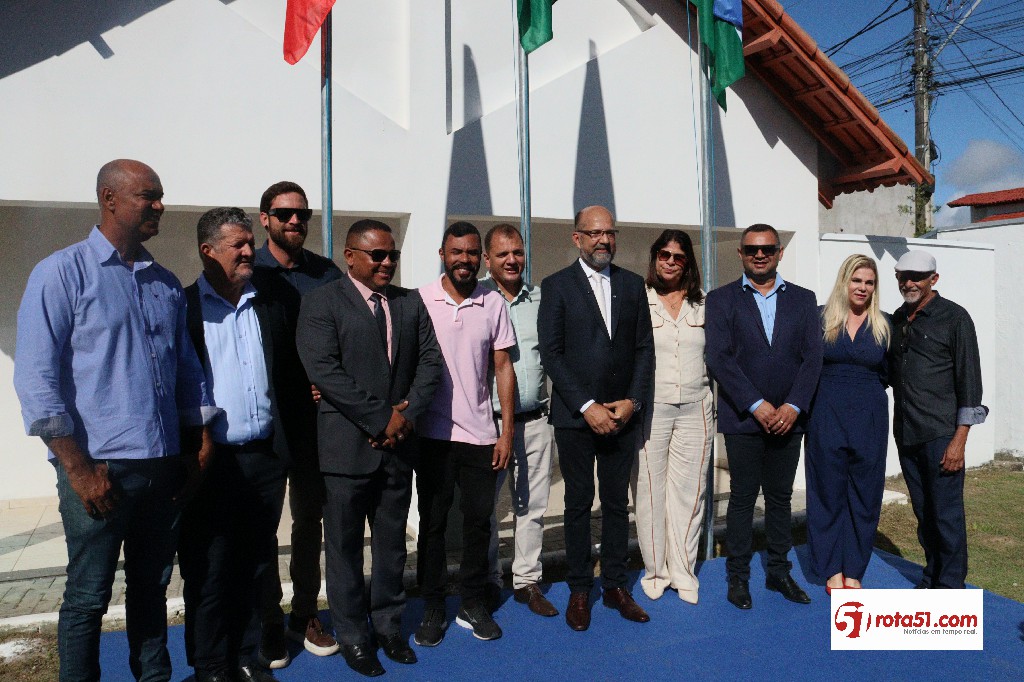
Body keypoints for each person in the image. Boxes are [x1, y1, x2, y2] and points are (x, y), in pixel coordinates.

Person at [13, 159, 212, 682]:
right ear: (109, 198)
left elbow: (187, 372)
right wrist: (78, 469)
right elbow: (36, 381)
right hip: (99, 470)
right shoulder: (61, 273)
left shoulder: (165, 284)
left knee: (151, 588)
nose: (160, 206)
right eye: (149, 195)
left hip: (162, 468)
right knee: (88, 596)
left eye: (160, 195)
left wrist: (198, 444)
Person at [296, 219, 442, 677]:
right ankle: (353, 637)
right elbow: (324, 371)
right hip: (345, 450)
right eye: (377, 255)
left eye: (392, 255)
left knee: (392, 546)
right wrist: (382, 418)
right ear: (350, 256)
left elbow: (431, 364)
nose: (386, 263)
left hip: (397, 448)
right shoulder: (321, 302)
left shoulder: (409, 302)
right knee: (343, 551)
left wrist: (405, 417)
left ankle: (388, 628)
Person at [179, 207, 295, 682]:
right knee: (208, 569)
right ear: (208, 251)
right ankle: (210, 664)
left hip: (264, 458)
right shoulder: (185, 307)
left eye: (251, 243)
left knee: (255, 563)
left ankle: (247, 656)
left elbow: (286, 370)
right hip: (209, 461)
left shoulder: (266, 302)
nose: (250, 252)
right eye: (239, 245)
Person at [538, 205, 654, 631]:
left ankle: (617, 586)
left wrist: (632, 402)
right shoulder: (557, 286)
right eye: (594, 233)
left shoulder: (632, 284)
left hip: (621, 416)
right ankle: (580, 588)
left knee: (616, 503)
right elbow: (552, 353)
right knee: (577, 502)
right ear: (577, 238)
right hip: (576, 418)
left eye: (610, 232)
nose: (604, 240)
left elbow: (643, 348)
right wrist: (587, 406)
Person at [704, 223, 822, 610]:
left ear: (779, 253)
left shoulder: (804, 300)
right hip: (743, 419)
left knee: (780, 499)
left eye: (767, 249)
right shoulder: (720, 299)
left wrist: (793, 406)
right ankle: (738, 577)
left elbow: (813, 358)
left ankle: (778, 572)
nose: (760, 255)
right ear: (740, 253)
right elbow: (718, 357)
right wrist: (756, 404)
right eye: (752, 249)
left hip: (790, 419)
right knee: (741, 499)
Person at [414, 221, 517, 646]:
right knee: (433, 525)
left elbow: (503, 368)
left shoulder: (493, 302)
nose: (465, 260)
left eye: (472, 253)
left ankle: (473, 602)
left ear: (481, 258)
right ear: (443, 254)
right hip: (431, 436)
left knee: (478, 524)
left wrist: (505, 432)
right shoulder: (421, 300)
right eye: (457, 252)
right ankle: (433, 605)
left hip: (480, 435)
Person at [253, 181, 342, 667]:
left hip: (314, 425)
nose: (294, 221)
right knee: (263, 527)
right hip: (264, 425)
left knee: (310, 521)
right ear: (264, 218)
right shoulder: (248, 271)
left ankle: (305, 613)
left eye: (302, 214)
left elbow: (345, 336)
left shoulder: (325, 274)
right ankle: (268, 621)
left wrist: (330, 382)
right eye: (284, 213)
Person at [888, 250, 987, 589]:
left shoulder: (955, 318)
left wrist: (959, 440)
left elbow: (969, 382)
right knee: (924, 513)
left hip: (942, 435)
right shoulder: (898, 319)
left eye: (917, 277)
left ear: (934, 279)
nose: (909, 283)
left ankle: (950, 588)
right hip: (907, 433)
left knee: (946, 515)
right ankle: (932, 577)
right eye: (904, 277)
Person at [481, 224, 558, 618]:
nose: (512, 260)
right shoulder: (477, 298)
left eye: (518, 252)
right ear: (487, 259)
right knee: (487, 509)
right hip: (489, 424)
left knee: (533, 505)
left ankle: (527, 580)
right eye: (502, 254)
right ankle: (489, 580)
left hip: (536, 421)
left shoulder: (541, 300)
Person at [633, 229, 714, 604]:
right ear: (655, 258)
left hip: (696, 406)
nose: (670, 261)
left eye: (678, 256)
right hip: (653, 407)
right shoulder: (640, 299)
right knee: (650, 490)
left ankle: (684, 571)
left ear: (687, 262)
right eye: (664, 255)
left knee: (690, 492)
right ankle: (655, 571)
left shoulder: (703, 303)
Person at [805, 254, 890, 594]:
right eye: (857, 280)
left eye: (869, 282)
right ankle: (831, 570)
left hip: (870, 416)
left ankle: (854, 569)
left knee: (865, 494)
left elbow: (889, 372)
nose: (863, 288)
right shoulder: (819, 318)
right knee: (827, 492)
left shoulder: (885, 325)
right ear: (844, 281)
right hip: (826, 413)